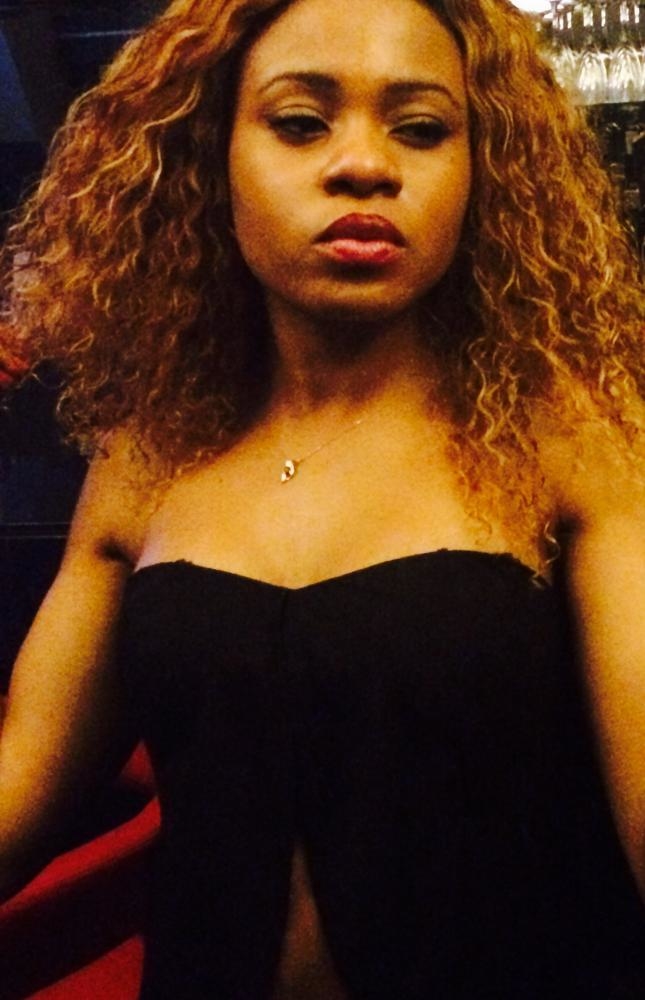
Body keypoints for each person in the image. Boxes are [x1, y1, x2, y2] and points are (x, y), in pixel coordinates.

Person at [0, 0, 644, 996]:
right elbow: (22, 780)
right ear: (210, 157)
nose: (364, 165)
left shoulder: (574, 441)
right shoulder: (147, 453)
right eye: (300, 122)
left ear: (480, 171)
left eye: (420, 129)